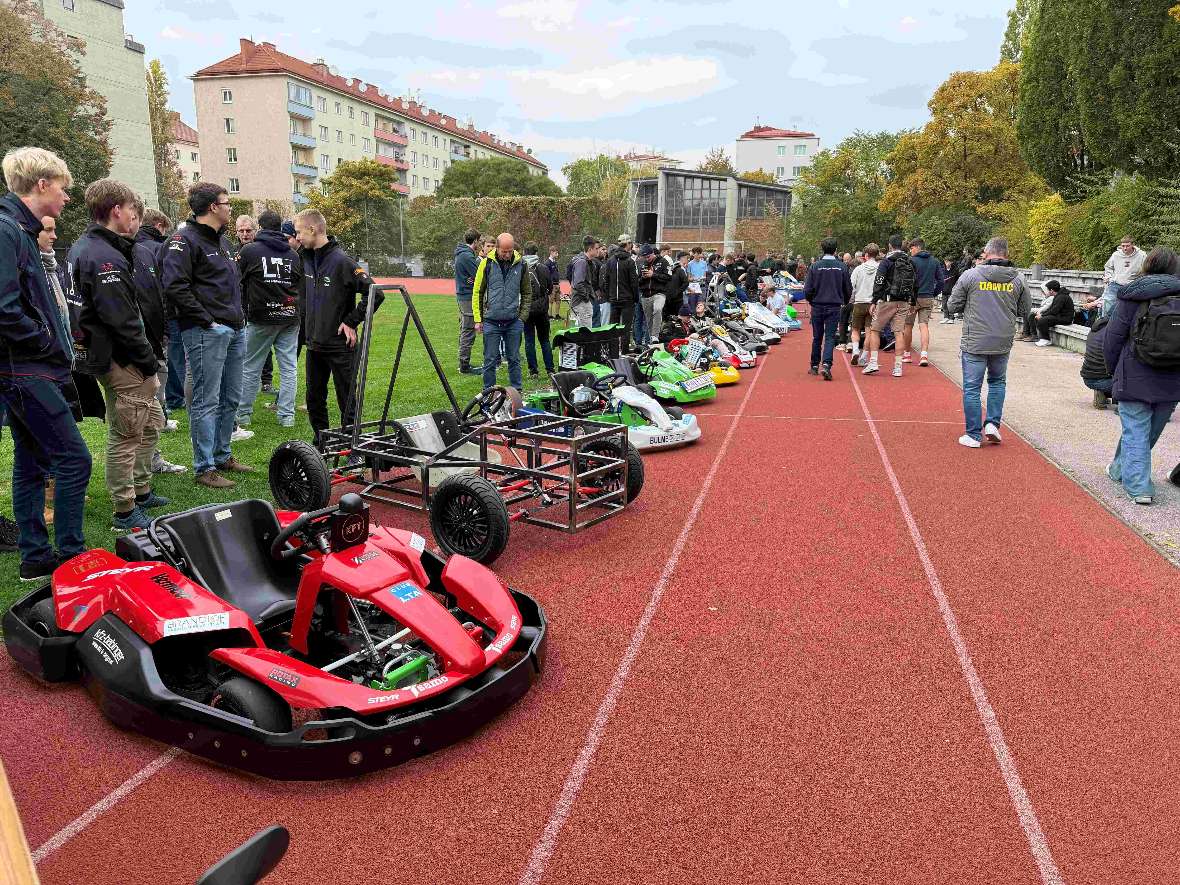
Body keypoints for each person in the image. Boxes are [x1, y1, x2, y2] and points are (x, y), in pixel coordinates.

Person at [0, 148, 92, 580]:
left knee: (31, 461)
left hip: (29, 368)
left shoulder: (19, 229)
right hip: (25, 370)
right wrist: (46, 343)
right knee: (74, 460)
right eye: (62, 187)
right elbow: (4, 309)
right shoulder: (8, 230)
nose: (66, 197)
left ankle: (35, 557)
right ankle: (73, 557)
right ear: (41, 185)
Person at [71, 180, 168, 532]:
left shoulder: (93, 247)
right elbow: (123, 321)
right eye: (132, 210)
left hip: (115, 355)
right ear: (116, 210)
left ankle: (141, 491)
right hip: (121, 359)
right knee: (126, 432)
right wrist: (148, 363)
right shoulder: (102, 255)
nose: (135, 218)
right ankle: (125, 511)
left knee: (149, 421)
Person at [161, 182, 249, 489]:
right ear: (213, 206)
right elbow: (175, 286)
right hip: (205, 332)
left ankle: (223, 455)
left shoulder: (223, 243)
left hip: (234, 330)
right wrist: (208, 321)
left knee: (231, 396)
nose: (230, 207)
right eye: (226, 202)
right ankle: (204, 466)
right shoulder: (183, 240)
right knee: (205, 399)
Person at [294, 208, 382, 448]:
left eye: (299, 232)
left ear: (313, 229)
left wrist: (351, 321)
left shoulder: (342, 261)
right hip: (314, 345)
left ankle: (353, 447)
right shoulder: (305, 258)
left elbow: (376, 293)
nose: (297, 238)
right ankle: (321, 443)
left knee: (347, 400)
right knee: (314, 399)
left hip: (340, 346)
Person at [1102, 246, 1180, 505]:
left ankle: (1139, 487)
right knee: (1147, 432)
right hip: (1173, 377)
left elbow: (1112, 339)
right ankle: (1118, 469)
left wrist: (1114, 371)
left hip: (1135, 371)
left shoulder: (1132, 295)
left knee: (1136, 429)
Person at [946, 237, 1029, 449]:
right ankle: (993, 423)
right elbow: (1024, 310)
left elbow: (952, 304)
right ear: (1007, 254)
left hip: (975, 339)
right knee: (997, 382)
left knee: (972, 388)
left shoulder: (971, 275)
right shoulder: (1018, 279)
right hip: (1002, 339)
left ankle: (973, 435)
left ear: (986, 253)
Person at [236, 210, 301, 430]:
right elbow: (297, 283)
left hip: (260, 318)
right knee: (289, 367)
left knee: (250, 367)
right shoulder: (293, 254)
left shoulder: (250, 251)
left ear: (260, 227)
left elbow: (238, 279)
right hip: (289, 317)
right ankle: (287, 416)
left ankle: (243, 415)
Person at [473, 232, 532, 391]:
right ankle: (488, 393)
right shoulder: (486, 264)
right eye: (504, 251)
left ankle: (517, 392)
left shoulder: (522, 265)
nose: (507, 254)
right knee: (490, 360)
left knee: (514, 359)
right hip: (491, 321)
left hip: (513, 322)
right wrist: (478, 319)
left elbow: (527, 292)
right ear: (497, 248)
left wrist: (522, 318)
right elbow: (478, 291)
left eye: (510, 251)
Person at [862, 235, 914, 377]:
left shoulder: (886, 262)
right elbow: (915, 283)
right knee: (898, 333)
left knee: (875, 330)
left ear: (890, 245)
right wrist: (912, 302)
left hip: (887, 300)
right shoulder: (910, 261)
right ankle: (898, 367)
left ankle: (873, 362)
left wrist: (874, 300)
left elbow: (879, 281)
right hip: (904, 300)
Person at [802, 237, 851, 381]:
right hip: (834, 305)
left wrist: (812, 301)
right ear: (835, 250)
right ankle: (827, 365)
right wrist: (844, 301)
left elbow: (808, 289)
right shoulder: (841, 267)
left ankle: (814, 365)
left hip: (817, 305)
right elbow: (848, 288)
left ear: (822, 249)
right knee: (830, 337)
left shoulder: (815, 266)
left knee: (817, 337)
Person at [902, 237, 944, 367]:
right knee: (923, 325)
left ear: (917, 247)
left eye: (911, 248)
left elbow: (906, 281)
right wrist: (934, 293)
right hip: (927, 297)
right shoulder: (934, 261)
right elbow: (941, 281)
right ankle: (924, 354)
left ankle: (907, 354)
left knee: (908, 326)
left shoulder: (910, 261)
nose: (910, 251)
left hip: (912, 298)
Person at [522, 242, 554, 378]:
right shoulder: (544, 268)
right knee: (545, 340)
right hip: (541, 309)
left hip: (527, 308)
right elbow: (550, 288)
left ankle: (533, 370)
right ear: (536, 253)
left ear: (524, 252)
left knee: (529, 340)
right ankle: (550, 369)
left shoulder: (521, 268)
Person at [453, 228, 481, 375]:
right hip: (467, 296)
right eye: (479, 242)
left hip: (463, 295)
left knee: (465, 328)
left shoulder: (463, 254)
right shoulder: (467, 257)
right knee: (468, 330)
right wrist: (474, 279)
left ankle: (463, 362)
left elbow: (475, 276)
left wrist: (473, 278)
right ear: (475, 240)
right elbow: (479, 275)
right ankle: (464, 365)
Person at [606, 236, 640, 350]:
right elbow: (634, 282)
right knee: (626, 327)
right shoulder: (630, 261)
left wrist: (609, 296)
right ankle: (624, 350)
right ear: (628, 244)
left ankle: (613, 350)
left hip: (614, 299)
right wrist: (635, 298)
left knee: (613, 326)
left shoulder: (610, 261)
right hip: (627, 299)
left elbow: (606, 280)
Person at [1018, 280, 1074, 346]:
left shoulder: (1061, 297)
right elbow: (1052, 309)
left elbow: (1054, 310)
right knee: (1033, 315)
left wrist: (1042, 315)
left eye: (1048, 289)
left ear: (1052, 290)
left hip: (1065, 318)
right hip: (1059, 315)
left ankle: (1046, 339)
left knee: (1042, 320)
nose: (1047, 291)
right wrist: (1041, 314)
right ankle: (1035, 336)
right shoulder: (1058, 296)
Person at [849, 244, 879, 364]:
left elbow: (852, 286)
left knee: (855, 329)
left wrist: (851, 300)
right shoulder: (880, 268)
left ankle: (855, 350)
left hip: (859, 302)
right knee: (869, 332)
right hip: (873, 304)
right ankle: (864, 356)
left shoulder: (858, 269)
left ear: (865, 255)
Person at [1102, 236, 1146, 318]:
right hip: (1116, 284)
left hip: (1132, 285)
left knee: (1128, 307)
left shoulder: (1142, 255)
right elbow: (1108, 267)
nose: (1125, 248)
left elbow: (1146, 270)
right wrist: (1109, 277)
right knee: (1107, 301)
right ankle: (1104, 323)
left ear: (1133, 245)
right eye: (1123, 246)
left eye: (1127, 246)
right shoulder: (1116, 255)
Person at [1080, 313, 1115, 410]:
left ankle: (1102, 393)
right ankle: (1121, 405)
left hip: (1088, 377)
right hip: (1103, 378)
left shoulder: (1096, 327)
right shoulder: (1115, 331)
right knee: (1135, 384)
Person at [638, 245, 670, 344]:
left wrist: (653, 275)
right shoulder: (642, 264)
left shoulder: (663, 262)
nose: (647, 259)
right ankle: (651, 338)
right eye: (645, 257)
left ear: (653, 253)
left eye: (648, 256)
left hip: (659, 293)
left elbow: (668, 277)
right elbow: (637, 281)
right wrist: (643, 277)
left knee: (657, 309)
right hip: (646, 294)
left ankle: (655, 336)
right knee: (648, 318)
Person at [567, 236, 598, 329]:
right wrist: (586, 297)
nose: (598, 251)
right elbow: (578, 283)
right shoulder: (582, 262)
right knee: (585, 333)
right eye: (596, 248)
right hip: (581, 302)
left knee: (580, 332)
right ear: (590, 249)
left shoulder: (583, 261)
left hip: (579, 301)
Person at [667, 251, 690, 321]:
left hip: (671, 296)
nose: (688, 260)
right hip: (677, 298)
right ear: (682, 258)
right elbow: (686, 282)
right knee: (678, 316)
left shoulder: (674, 268)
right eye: (687, 258)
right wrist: (679, 291)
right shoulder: (680, 269)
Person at [939, 257, 959, 323]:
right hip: (944, 289)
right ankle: (945, 317)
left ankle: (951, 318)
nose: (947, 263)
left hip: (951, 290)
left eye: (948, 262)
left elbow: (957, 280)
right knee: (944, 304)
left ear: (951, 262)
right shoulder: (942, 270)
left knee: (950, 304)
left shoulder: (955, 270)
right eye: (946, 261)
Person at [546, 245, 561, 320]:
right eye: (556, 253)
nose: (557, 254)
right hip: (552, 285)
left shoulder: (555, 262)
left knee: (558, 300)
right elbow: (547, 275)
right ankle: (549, 315)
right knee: (551, 301)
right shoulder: (547, 263)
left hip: (557, 284)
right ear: (551, 252)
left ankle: (557, 315)